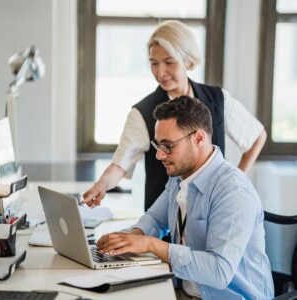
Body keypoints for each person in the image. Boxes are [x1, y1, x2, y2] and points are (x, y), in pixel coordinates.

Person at [96, 96, 274, 299]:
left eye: (168, 146)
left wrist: (150, 244)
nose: (159, 156)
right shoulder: (181, 176)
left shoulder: (233, 192)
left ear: (198, 138)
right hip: (183, 291)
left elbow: (219, 271)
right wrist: (129, 238)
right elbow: (155, 219)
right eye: (158, 146)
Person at [83, 20, 267, 211]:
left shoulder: (218, 99)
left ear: (188, 61)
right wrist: (101, 185)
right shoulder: (143, 112)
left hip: (213, 212)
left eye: (169, 62)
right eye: (154, 63)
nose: (160, 72)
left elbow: (257, 136)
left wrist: (236, 180)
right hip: (162, 220)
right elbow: (120, 165)